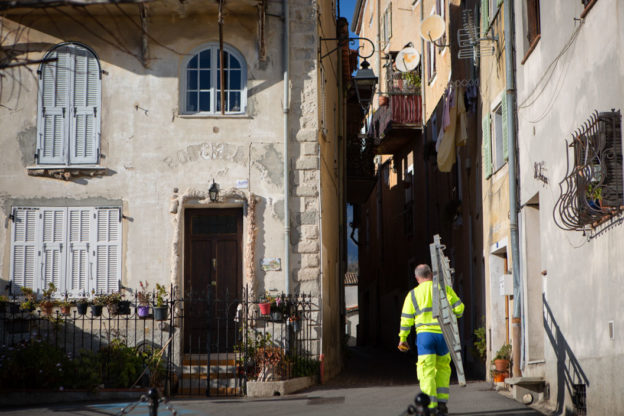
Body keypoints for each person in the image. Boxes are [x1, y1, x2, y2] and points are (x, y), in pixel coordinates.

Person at [398, 264, 464, 415]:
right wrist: (454, 313)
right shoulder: (444, 289)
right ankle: (442, 404)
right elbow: (460, 309)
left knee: (426, 371)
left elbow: (406, 319)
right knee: (443, 369)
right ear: (431, 275)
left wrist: (403, 338)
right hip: (443, 335)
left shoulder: (413, 294)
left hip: (425, 336)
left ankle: (429, 407)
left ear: (417, 278)